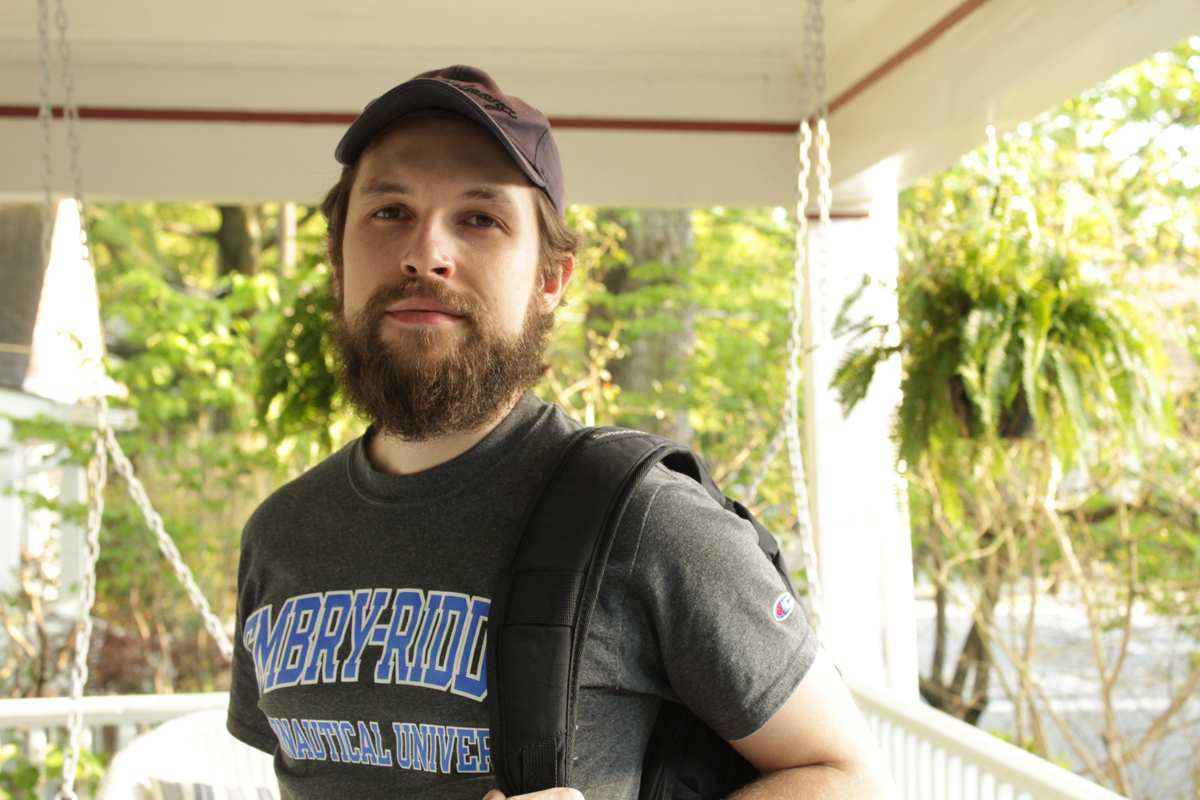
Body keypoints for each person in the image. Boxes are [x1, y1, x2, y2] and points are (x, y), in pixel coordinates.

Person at [226, 65, 897, 800]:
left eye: (480, 218)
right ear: (336, 262)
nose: (425, 253)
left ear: (552, 280)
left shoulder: (647, 520)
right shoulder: (279, 537)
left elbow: (848, 777)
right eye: (388, 211)